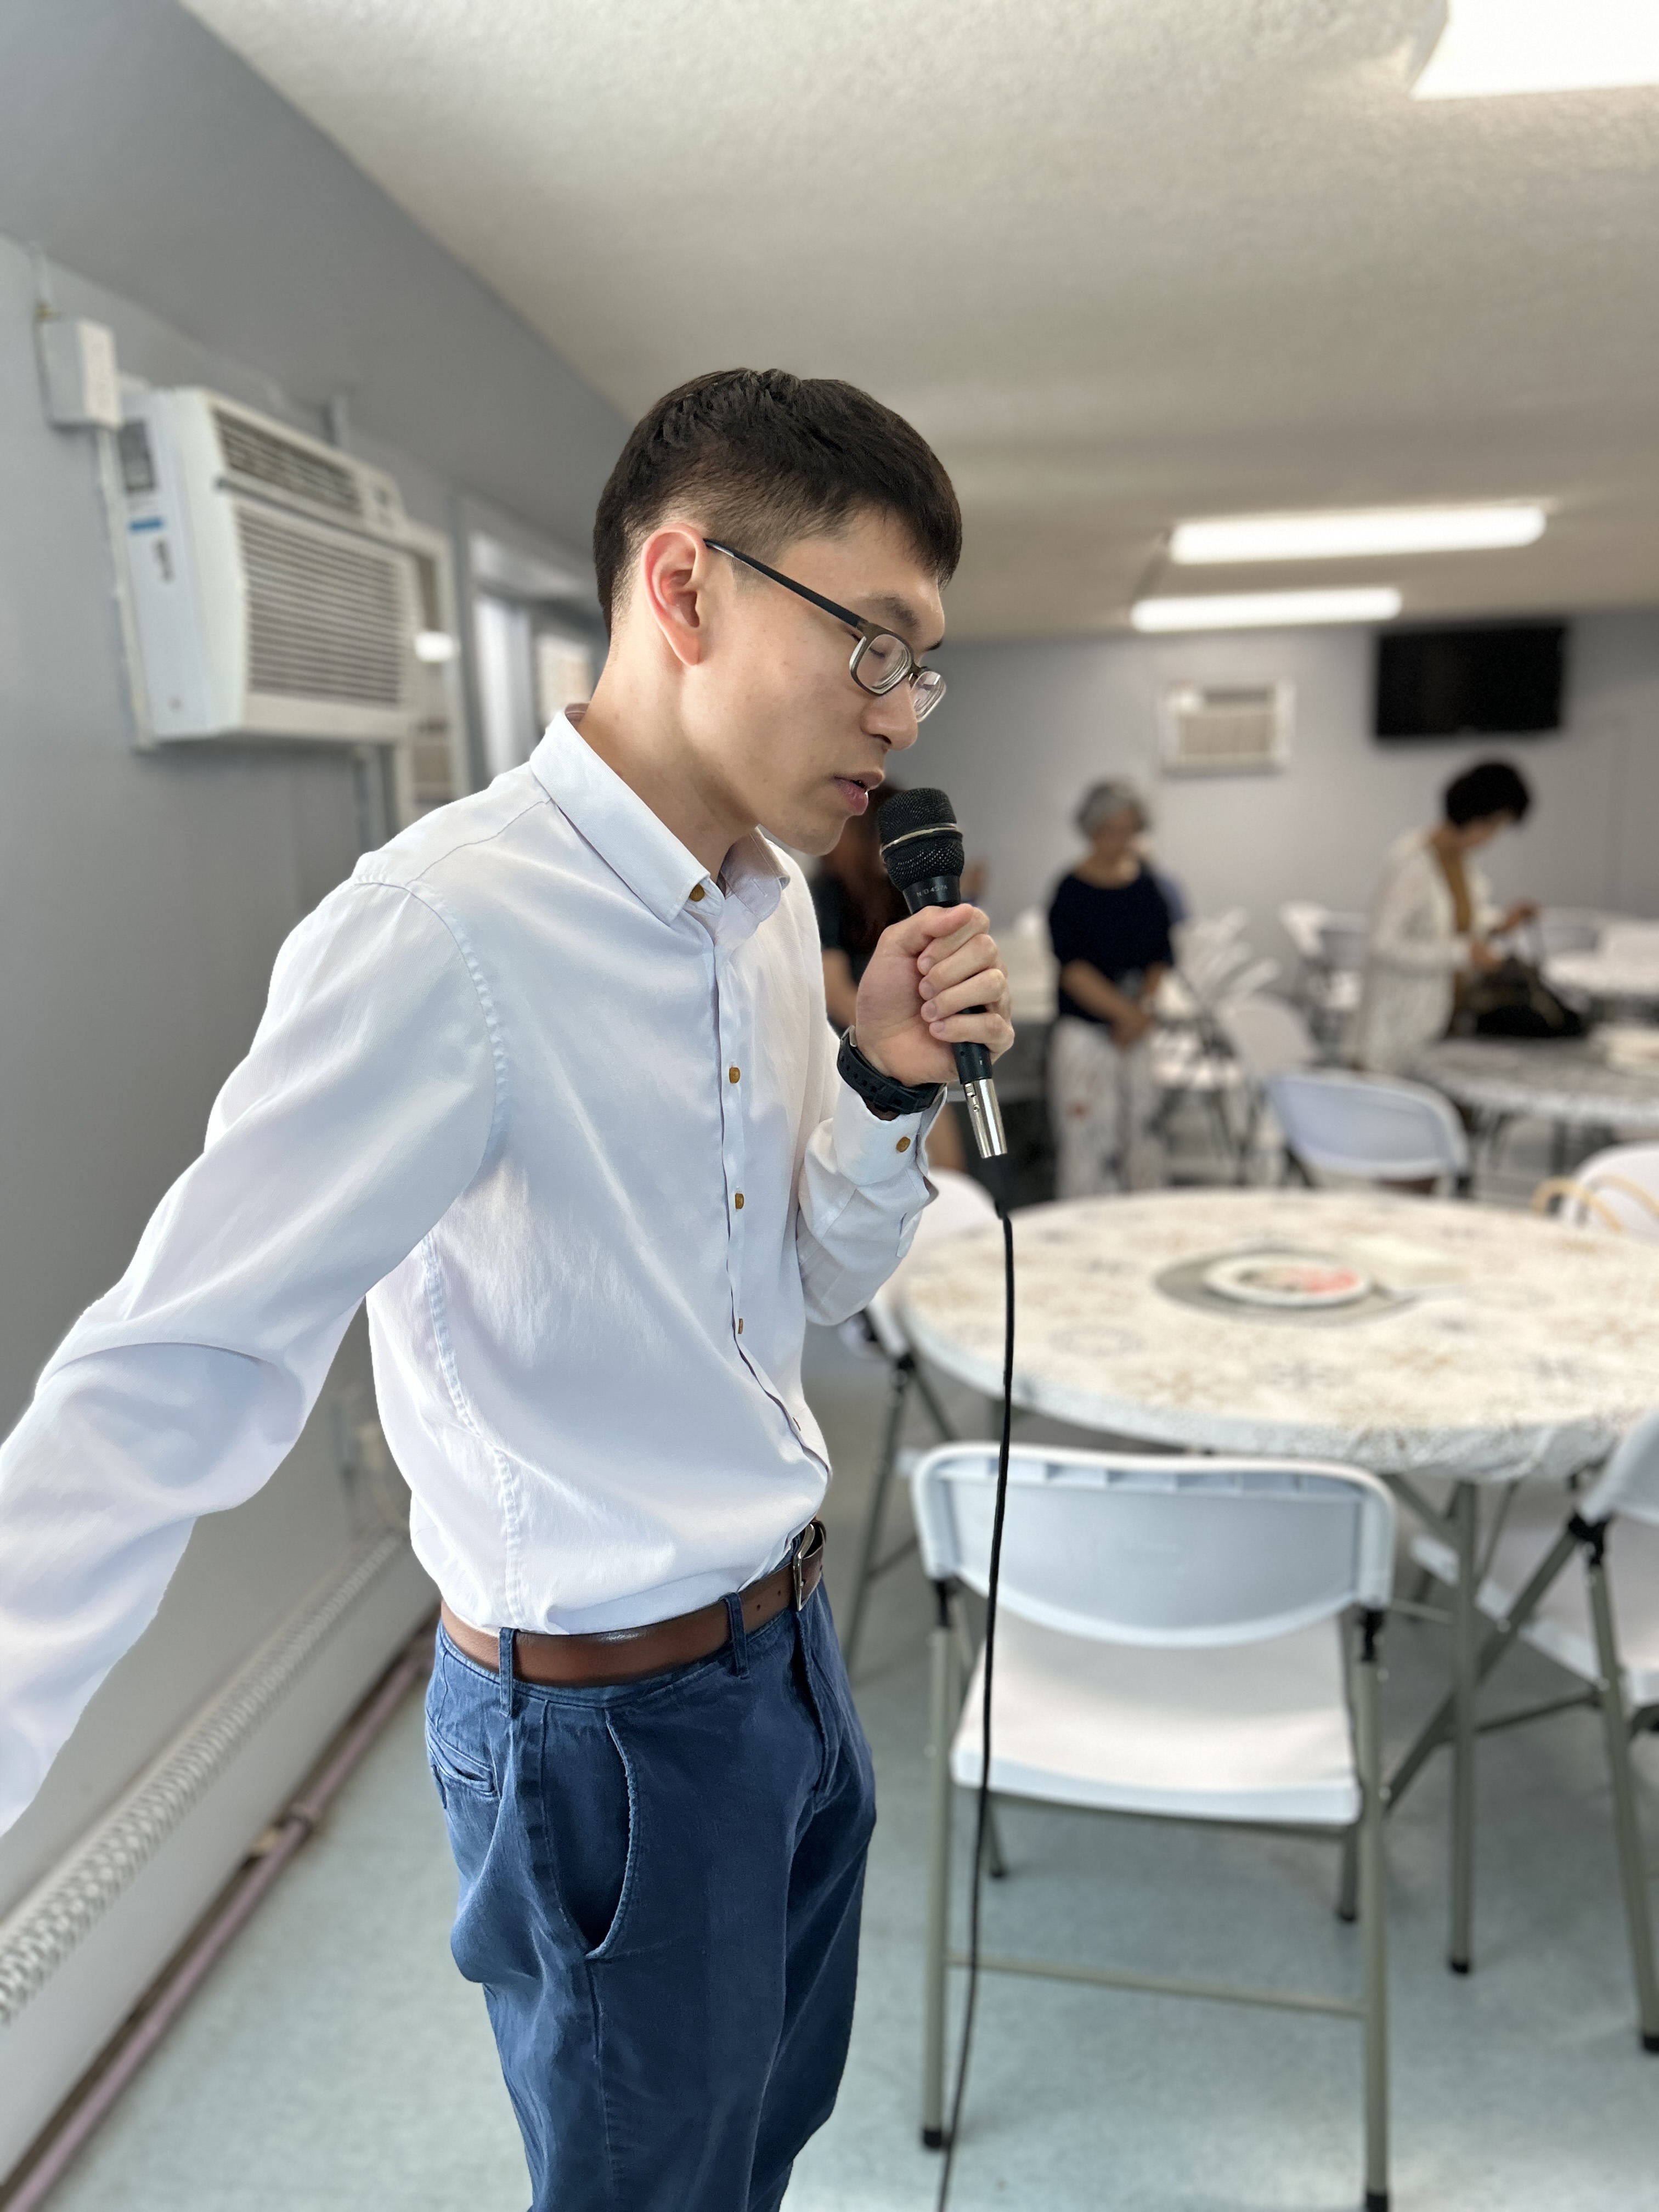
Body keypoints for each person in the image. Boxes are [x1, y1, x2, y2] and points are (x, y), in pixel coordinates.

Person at [0, 370, 1013, 2212]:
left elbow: (817, 1277)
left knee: (759, 2150)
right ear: (685, 587)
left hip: (792, 1666)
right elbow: (171, 1375)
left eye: (920, 668)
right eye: (873, 643)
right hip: (606, 1732)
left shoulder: (775, 913)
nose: (899, 708)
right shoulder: (442, 931)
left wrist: (881, 1090)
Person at [813, 785, 971, 1173]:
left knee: (949, 1171)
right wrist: (885, 1036)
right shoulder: (829, 893)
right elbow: (835, 990)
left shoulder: (896, 893)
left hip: (915, 1042)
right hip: (856, 1052)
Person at [1353, 758, 1536, 1076]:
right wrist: (1463, 953)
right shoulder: (1411, 863)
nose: (1492, 838)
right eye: (1495, 827)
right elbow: (1382, 943)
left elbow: (1453, 923)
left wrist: (1499, 924)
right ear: (1476, 816)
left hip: (1444, 1018)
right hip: (1398, 1022)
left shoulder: (1462, 862)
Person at [1047, 778, 1174, 1196]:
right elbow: (1074, 970)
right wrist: (1126, 1014)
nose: (1120, 841)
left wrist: (1141, 1012)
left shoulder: (1147, 886)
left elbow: (1161, 956)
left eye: (1128, 831)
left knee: (1143, 1134)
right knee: (1087, 1138)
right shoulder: (1071, 891)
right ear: (1091, 830)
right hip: (1085, 1031)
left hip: (1135, 1031)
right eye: (1111, 831)